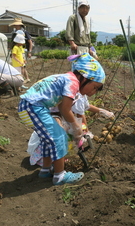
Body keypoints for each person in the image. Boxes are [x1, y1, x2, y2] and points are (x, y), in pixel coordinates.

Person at [18, 53, 105, 185]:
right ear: (84, 77)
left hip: (32, 107)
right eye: (94, 87)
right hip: (33, 107)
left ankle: (45, 170)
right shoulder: (73, 82)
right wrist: (76, 128)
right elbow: (65, 109)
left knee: (48, 140)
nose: (93, 92)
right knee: (59, 138)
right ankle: (60, 176)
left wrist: (63, 123)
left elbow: (59, 107)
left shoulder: (68, 79)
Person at [9, 18, 33, 83]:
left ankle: (24, 78)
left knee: (22, 65)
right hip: (16, 50)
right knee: (19, 66)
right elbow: (13, 43)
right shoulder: (14, 33)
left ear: (20, 25)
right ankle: (24, 78)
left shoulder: (25, 32)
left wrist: (29, 52)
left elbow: (30, 42)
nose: (15, 26)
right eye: (14, 25)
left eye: (16, 25)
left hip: (22, 50)